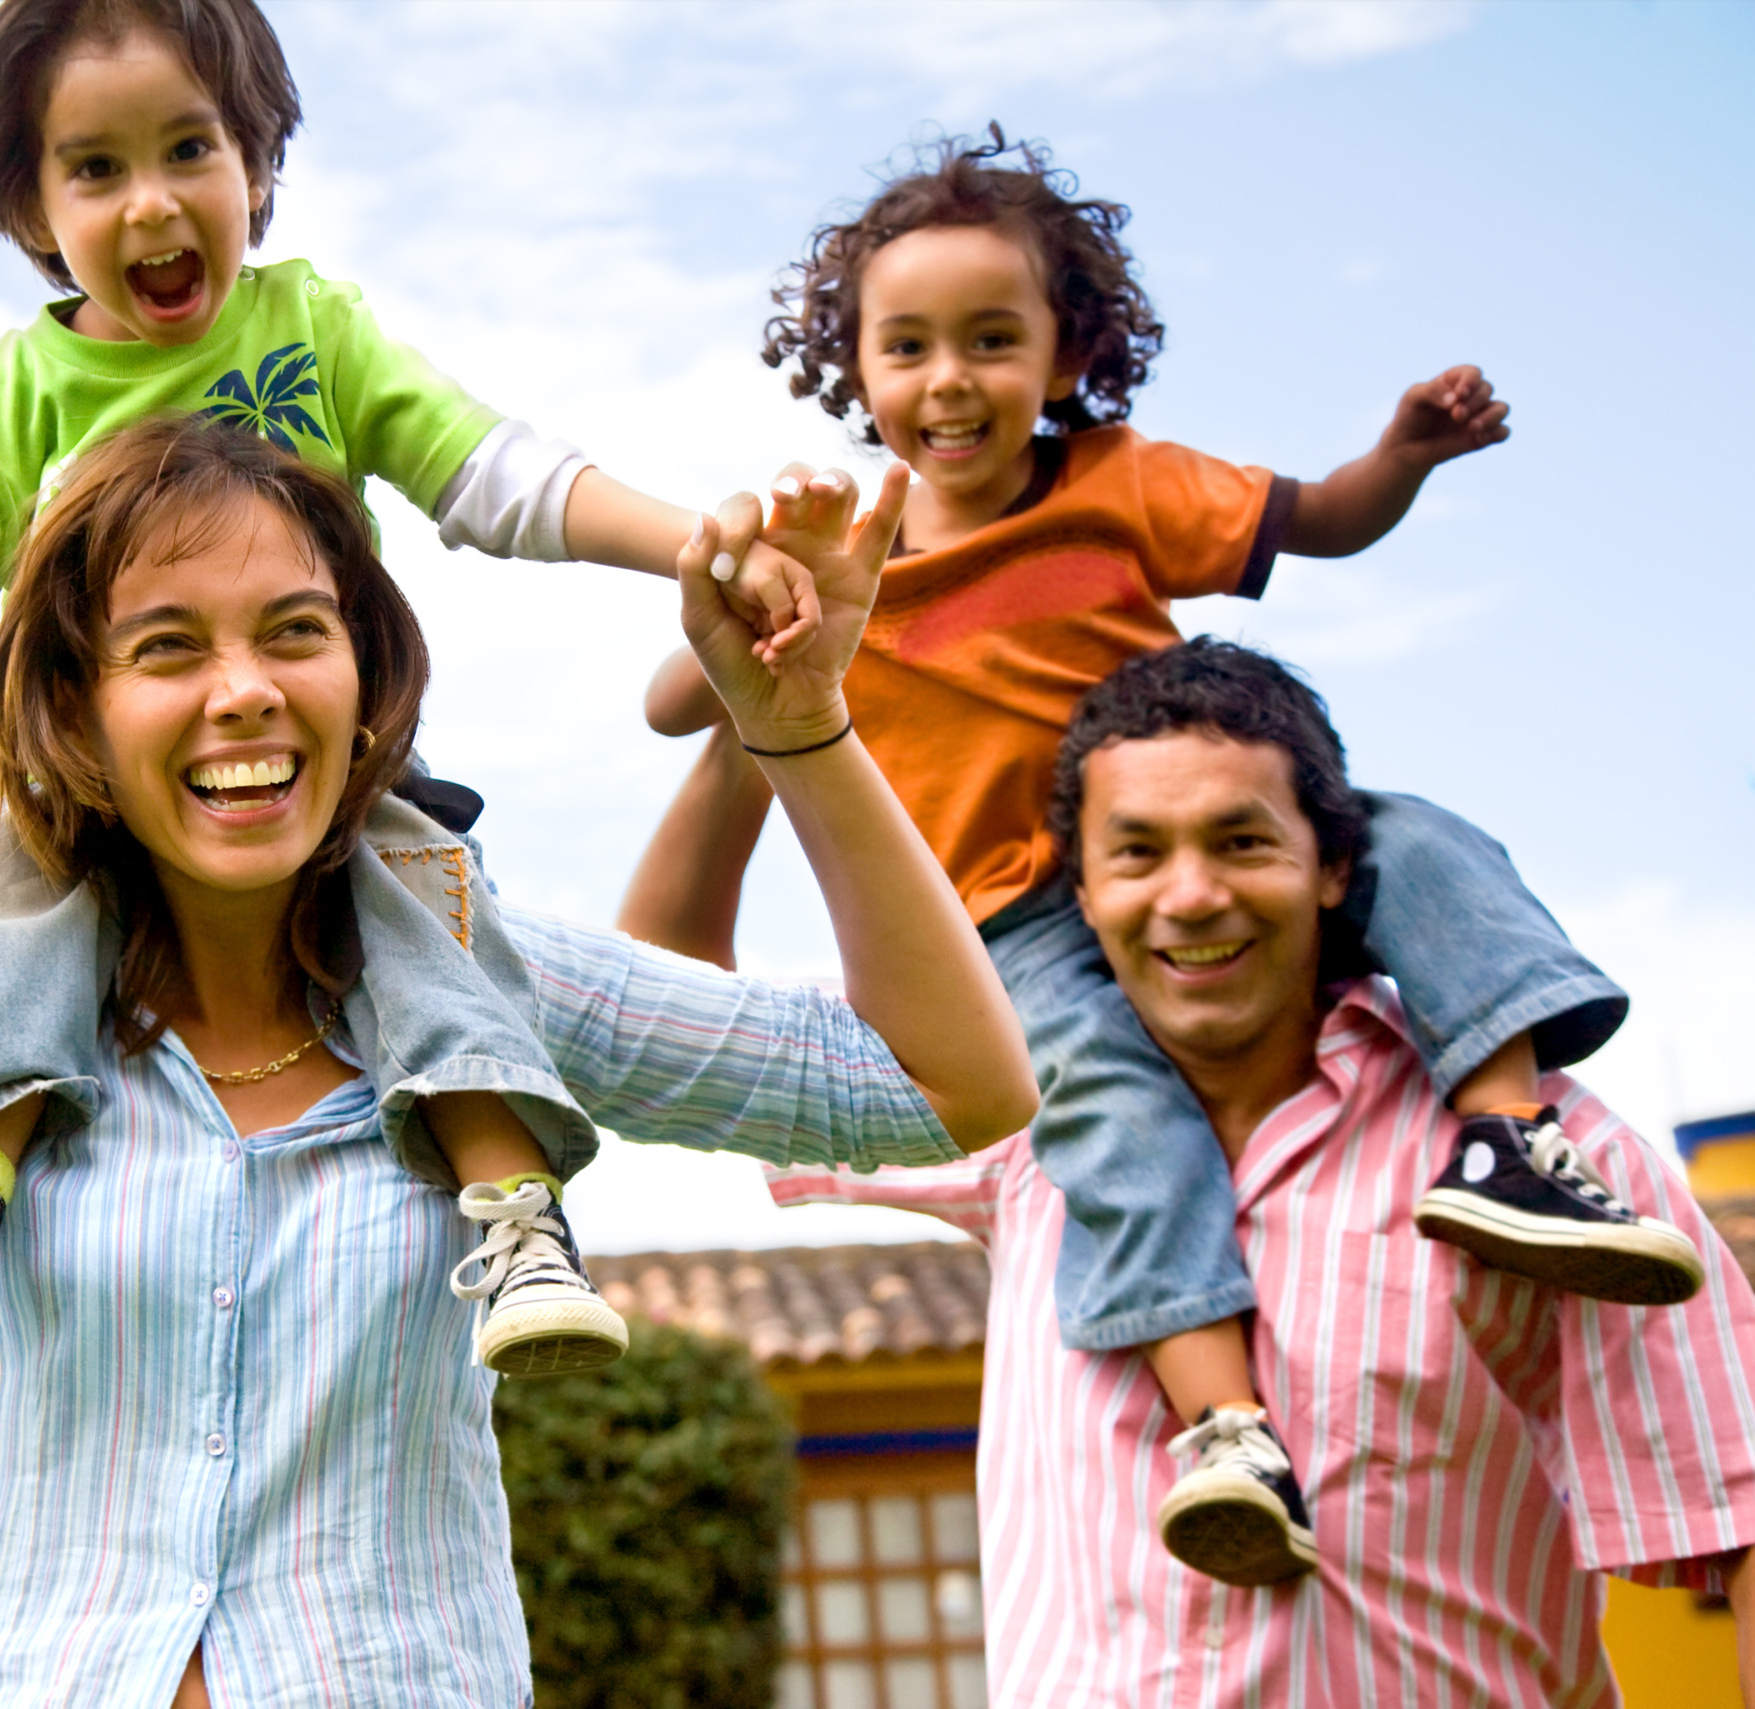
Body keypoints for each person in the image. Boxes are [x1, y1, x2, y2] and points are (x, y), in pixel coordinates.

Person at [0, 416, 1036, 1706]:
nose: (244, 690)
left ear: (366, 673)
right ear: (80, 706)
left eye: (295, 630)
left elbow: (943, 1083)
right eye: (169, 645)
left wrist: (802, 724)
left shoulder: (487, 971)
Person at [620, 126, 1700, 1583]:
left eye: (993, 341)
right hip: (1014, 918)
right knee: (1112, 1112)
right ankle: (1226, 1426)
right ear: (856, 370)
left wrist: (1403, 458)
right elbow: (680, 697)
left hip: (1194, 833)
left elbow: (1317, 520)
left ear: (1064, 356)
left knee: (1426, 843)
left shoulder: (1120, 483)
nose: (951, 381)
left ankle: (1508, 1135)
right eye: (910, 347)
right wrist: (776, 599)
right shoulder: (860, 558)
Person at [0, 0, 827, 1376]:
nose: (153, 203)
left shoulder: (312, 326)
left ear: (257, 162)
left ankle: (518, 1215)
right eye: (95, 169)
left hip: (315, 785)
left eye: (191, 147)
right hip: (87, 792)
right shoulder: (22, 389)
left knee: (426, 905)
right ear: (31, 207)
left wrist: (696, 543)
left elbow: (491, 471)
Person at [772, 639, 1755, 1703]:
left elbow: (1741, 1518)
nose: (1191, 896)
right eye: (1138, 852)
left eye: (1241, 841)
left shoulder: (1565, 1171)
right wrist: (761, 710)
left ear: (1336, 865)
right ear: (1082, 893)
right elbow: (663, 1003)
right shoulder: (1013, 1116)